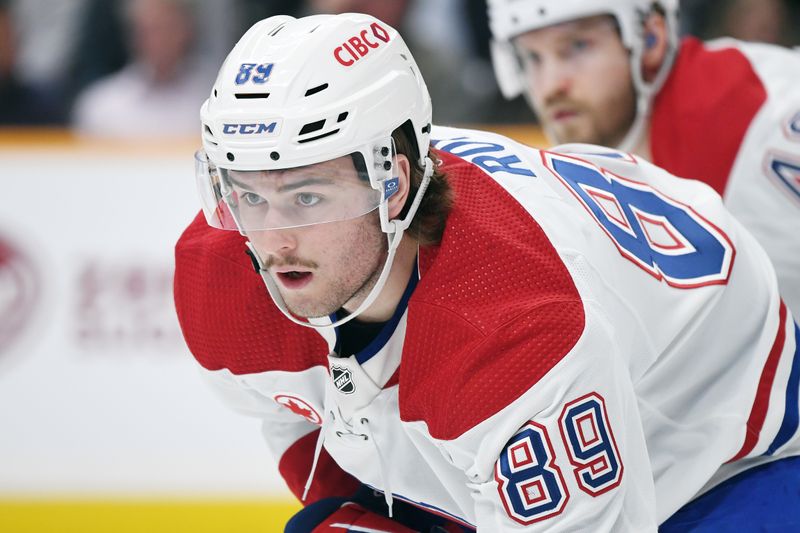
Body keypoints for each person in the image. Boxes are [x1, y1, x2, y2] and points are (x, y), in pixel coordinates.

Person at [174, 12, 800, 532]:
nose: (273, 240)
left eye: (308, 196)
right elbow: (291, 416)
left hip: (728, 449)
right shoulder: (221, 270)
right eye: (249, 194)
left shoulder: (515, 324)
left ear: (393, 184)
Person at [487, 0, 800, 324]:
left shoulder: (753, 129)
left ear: (650, 39)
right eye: (532, 58)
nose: (551, 86)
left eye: (577, 46)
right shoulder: (621, 157)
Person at [71, 0, 213, 138]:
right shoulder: (100, 106)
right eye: (150, 29)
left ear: (188, 30)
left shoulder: (214, 99)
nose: (159, 40)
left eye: (167, 28)